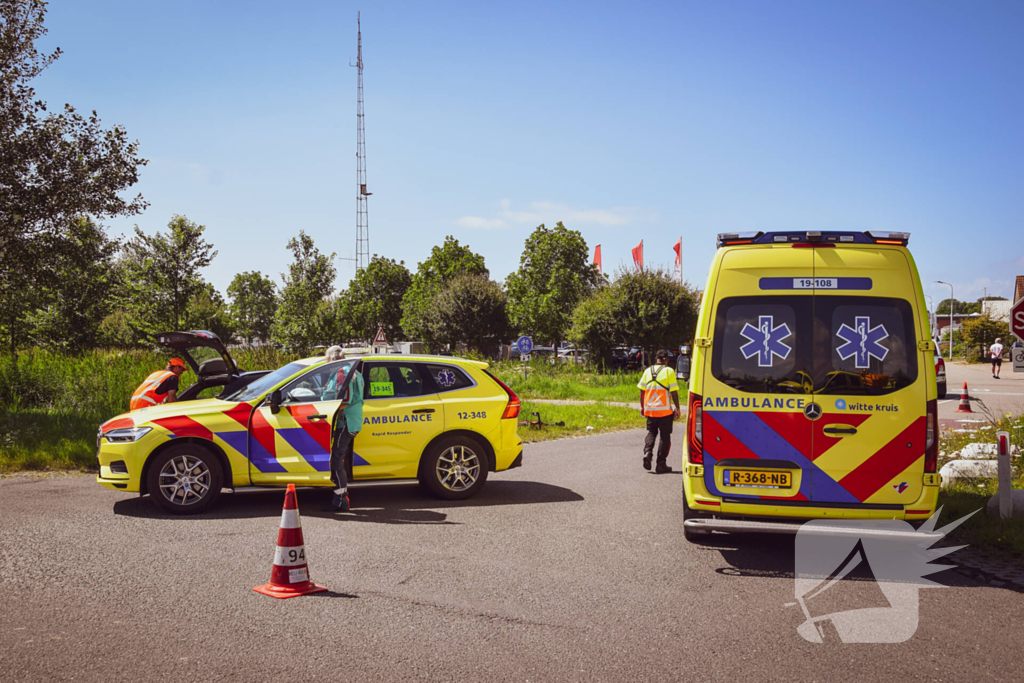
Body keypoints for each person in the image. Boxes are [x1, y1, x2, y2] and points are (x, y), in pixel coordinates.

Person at [324, 346, 364, 512]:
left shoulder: (342, 372)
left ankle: (340, 500)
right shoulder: (354, 372)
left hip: (345, 421)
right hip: (353, 421)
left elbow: (344, 399)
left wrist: (326, 409)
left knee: (336, 460)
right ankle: (339, 497)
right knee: (340, 459)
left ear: (331, 358)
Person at [637, 348, 681, 474]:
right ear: (666, 360)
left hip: (650, 410)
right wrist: (677, 408)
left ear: (656, 359)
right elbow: (673, 391)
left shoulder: (647, 371)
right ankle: (661, 464)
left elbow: (641, 389)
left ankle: (648, 452)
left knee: (651, 432)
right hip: (665, 411)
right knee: (665, 437)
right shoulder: (669, 371)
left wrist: (642, 406)